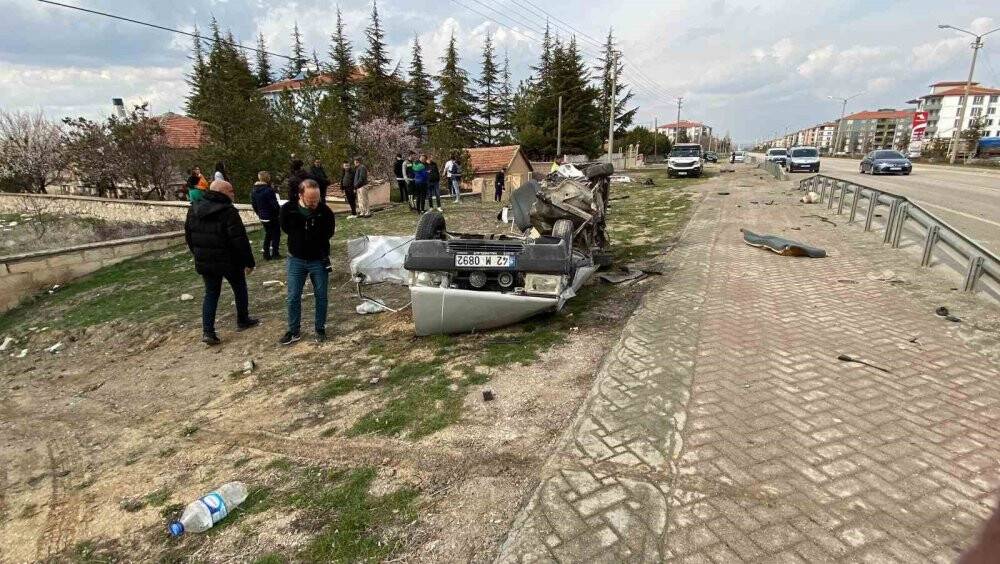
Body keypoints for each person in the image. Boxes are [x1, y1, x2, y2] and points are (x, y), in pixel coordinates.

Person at [184, 179, 258, 346]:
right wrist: (249, 262)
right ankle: (243, 319)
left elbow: (189, 236)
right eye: (231, 191)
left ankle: (208, 331)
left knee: (211, 294)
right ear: (222, 192)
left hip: (206, 261)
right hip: (229, 260)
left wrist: (197, 254)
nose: (233, 194)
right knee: (239, 288)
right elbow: (239, 240)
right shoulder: (228, 211)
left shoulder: (194, 208)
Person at [279, 179, 335, 345]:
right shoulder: (288, 209)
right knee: (293, 296)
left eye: (316, 199)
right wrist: (302, 228)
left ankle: (320, 328)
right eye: (310, 200)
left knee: (321, 295)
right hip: (296, 258)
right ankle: (294, 330)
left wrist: (313, 229)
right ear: (301, 195)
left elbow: (328, 232)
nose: (314, 203)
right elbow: (286, 228)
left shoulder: (325, 211)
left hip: (318, 258)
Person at [251, 171, 281, 260]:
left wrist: (259, 213)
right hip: (272, 215)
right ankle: (275, 253)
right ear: (267, 178)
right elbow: (274, 204)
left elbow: (254, 204)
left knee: (268, 234)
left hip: (262, 215)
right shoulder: (268, 190)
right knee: (276, 234)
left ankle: (266, 254)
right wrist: (278, 212)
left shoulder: (254, 191)